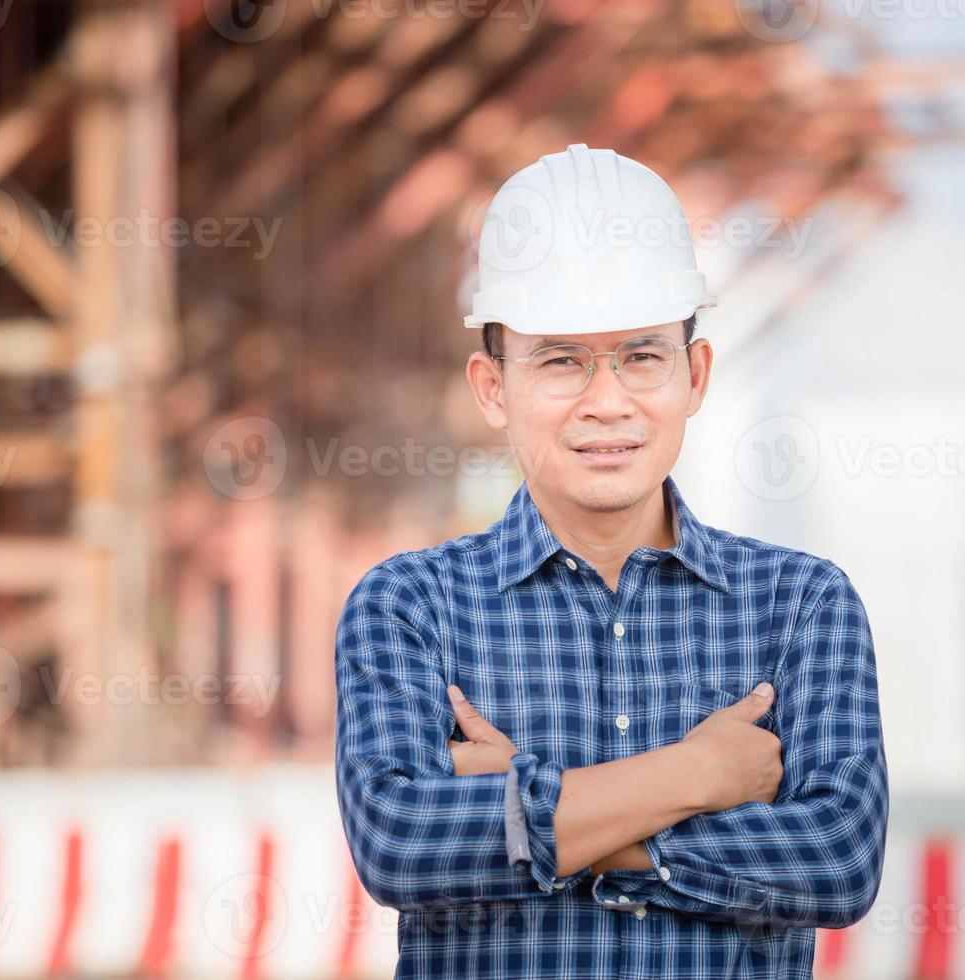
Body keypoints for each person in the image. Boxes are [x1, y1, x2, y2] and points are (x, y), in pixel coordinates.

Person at [335, 144, 888, 978]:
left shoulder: (801, 605)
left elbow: (836, 862)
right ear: (493, 388)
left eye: (641, 355)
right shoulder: (411, 607)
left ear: (695, 374)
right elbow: (402, 846)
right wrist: (699, 773)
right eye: (561, 361)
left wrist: (531, 797)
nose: (608, 400)